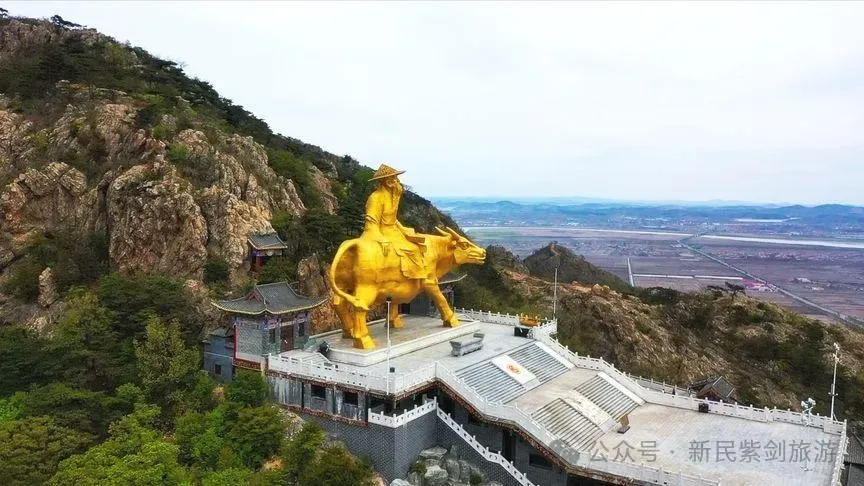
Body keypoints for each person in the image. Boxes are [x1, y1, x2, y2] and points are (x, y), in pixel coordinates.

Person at [363, 164, 428, 280]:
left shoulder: (393, 195)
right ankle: (413, 277)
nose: (396, 181)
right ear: (385, 181)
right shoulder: (376, 197)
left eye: (396, 177)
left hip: (394, 229)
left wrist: (402, 228)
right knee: (412, 249)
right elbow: (371, 223)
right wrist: (381, 239)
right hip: (381, 232)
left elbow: (392, 218)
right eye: (392, 178)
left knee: (419, 241)